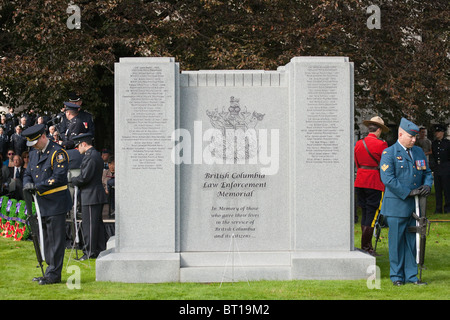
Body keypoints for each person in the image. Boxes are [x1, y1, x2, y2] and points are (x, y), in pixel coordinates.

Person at [380, 118, 433, 286]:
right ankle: (396, 276)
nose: (414, 140)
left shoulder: (417, 152)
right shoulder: (389, 153)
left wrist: (427, 185)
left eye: (415, 137)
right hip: (397, 204)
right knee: (396, 242)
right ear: (400, 134)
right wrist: (408, 192)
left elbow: (427, 172)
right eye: (411, 136)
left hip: (415, 206)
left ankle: (411, 276)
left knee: (412, 240)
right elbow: (388, 179)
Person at [22, 124, 72, 285]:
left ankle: (54, 274)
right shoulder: (34, 153)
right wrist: (28, 184)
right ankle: (50, 271)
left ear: (43, 137)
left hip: (56, 202)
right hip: (41, 203)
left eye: (35, 142)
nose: (34, 146)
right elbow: (28, 173)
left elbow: (58, 177)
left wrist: (37, 186)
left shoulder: (58, 153)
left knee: (56, 240)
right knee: (46, 240)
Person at [354, 116, 389, 256]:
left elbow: (356, 162)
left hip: (360, 179)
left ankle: (365, 245)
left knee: (364, 212)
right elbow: (384, 164)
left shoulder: (359, 143)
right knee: (372, 214)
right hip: (374, 181)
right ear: (379, 130)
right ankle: (366, 247)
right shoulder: (382, 144)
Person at [71, 133, 108, 261]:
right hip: (93, 194)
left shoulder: (91, 156)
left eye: (78, 146)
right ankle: (99, 249)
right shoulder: (93, 155)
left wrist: (73, 180)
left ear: (84, 144)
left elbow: (85, 177)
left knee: (90, 225)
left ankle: (89, 252)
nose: (78, 149)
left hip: (91, 195)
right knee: (96, 224)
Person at [431, 124, 450, 214]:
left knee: (447, 189)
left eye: (438, 132)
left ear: (442, 132)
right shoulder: (434, 143)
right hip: (437, 168)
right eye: (436, 132)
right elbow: (434, 156)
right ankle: (438, 208)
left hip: (446, 168)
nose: (437, 133)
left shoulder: (447, 143)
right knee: (438, 190)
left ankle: (447, 208)